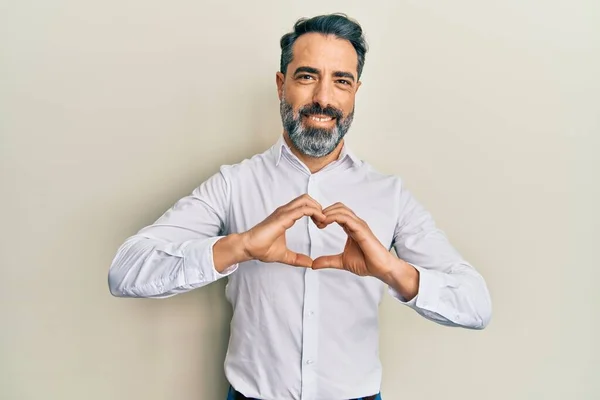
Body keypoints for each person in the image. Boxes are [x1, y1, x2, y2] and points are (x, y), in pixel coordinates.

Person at [108, 13, 492, 400]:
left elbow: (475, 304)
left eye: (341, 81)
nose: (323, 98)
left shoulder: (389, 195)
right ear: (281, 84)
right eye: (307, 77)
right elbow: (125, 271)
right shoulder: (233, 184)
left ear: (355, 91)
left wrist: (392, 270)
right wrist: (238, 247)